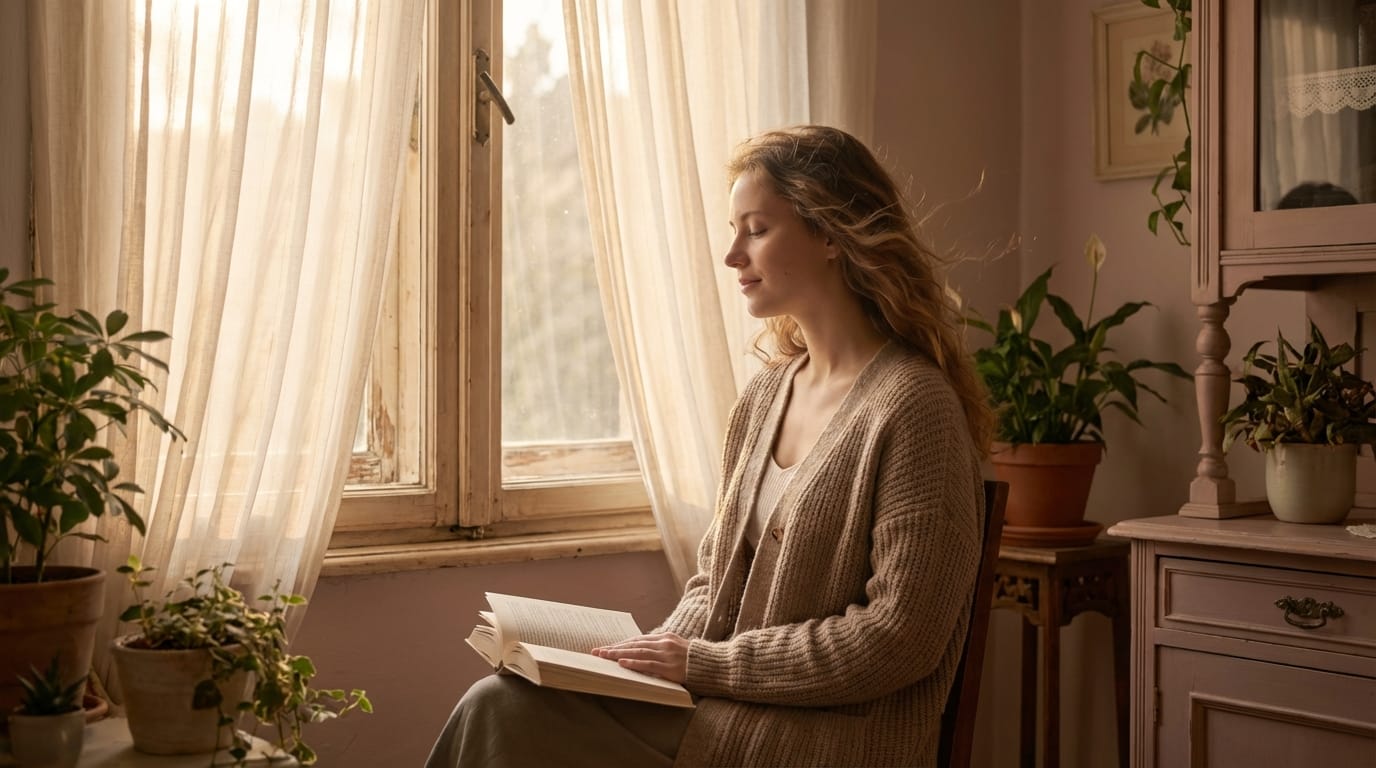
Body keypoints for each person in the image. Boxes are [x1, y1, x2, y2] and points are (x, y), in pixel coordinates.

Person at [425, 125, 994, 768]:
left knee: (501, 714)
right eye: (734, 229)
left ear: (832, 234)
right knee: (501, 695)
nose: (732, 255)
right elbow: (712, 585)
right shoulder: (764, 397)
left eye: (756, 229)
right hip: (724, 710)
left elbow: (900, 636)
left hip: (825, 741)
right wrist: (631, 666)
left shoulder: (914, 408)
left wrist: (702, 663)